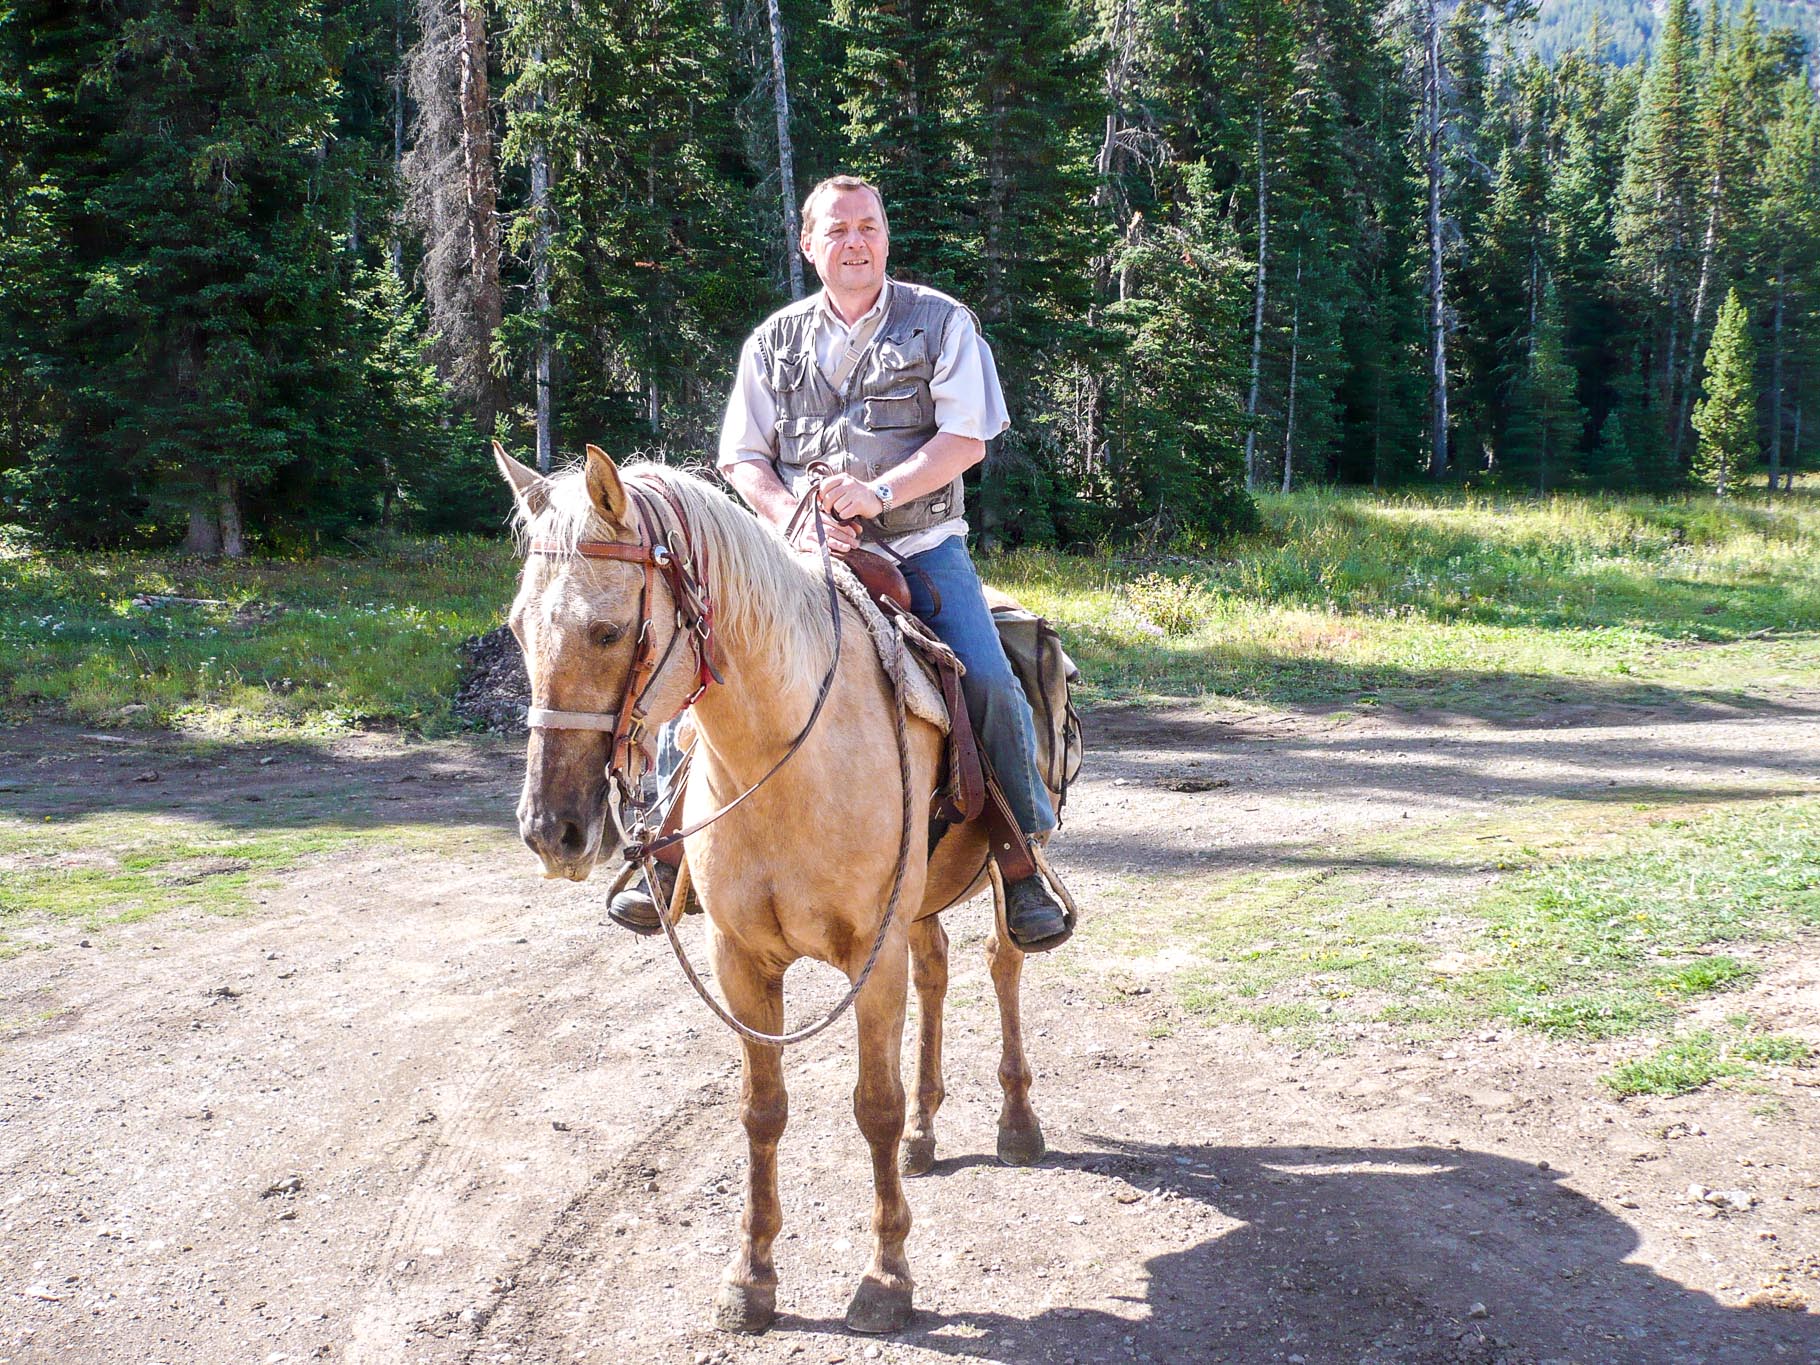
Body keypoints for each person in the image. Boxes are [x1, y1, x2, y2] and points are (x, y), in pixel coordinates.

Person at [610, 174, 1070, 952]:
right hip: (794, 558)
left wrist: (877, 492)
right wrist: (794, 513)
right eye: (837, 230)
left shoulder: (941, 323)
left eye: (867, 227)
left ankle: (1021, 857)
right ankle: (665, 851)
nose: (854, 242)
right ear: (808, 245)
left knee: (988, 679)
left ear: (885, 238)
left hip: (920, 546)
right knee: (699, 672)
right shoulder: (773, 342)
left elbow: (965, 439)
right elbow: (743, 458)